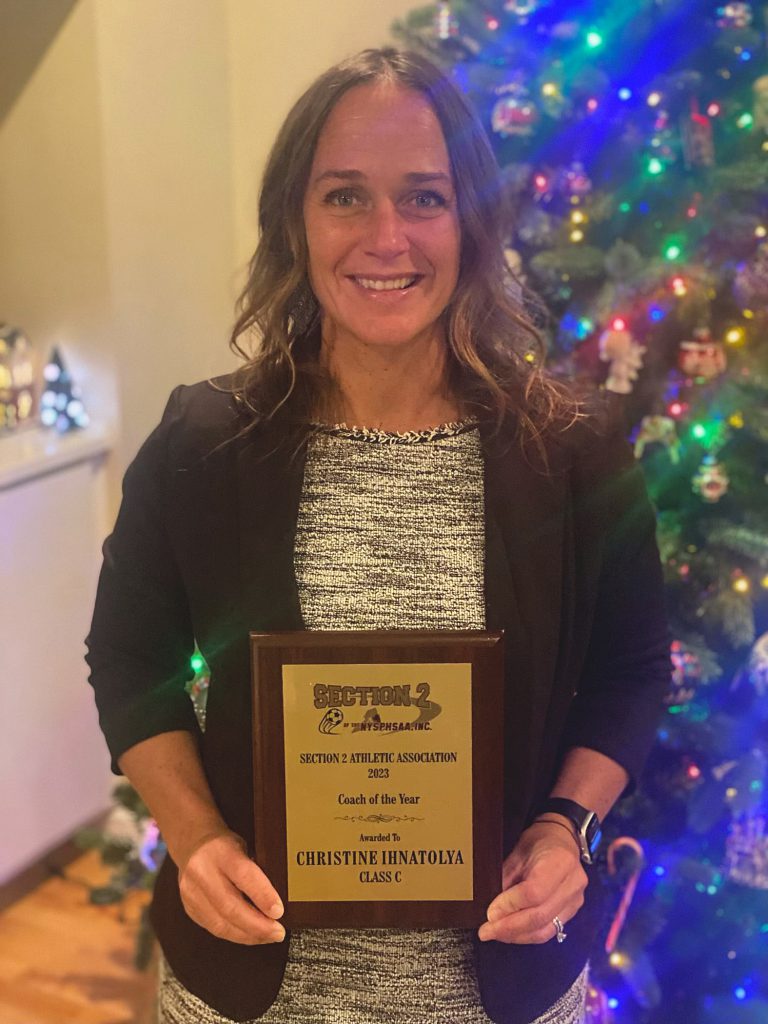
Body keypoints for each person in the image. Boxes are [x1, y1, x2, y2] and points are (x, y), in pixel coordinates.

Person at [85, 47, 670, 1024]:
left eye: (425, 197)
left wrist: (568, 826)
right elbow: (128, 655)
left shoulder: (573, 452)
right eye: (346, 196)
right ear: (295, 221)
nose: (386, 236)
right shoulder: (203, 442)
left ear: (472, 219)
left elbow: (631, 668)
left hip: (498, 992)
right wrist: (193, 835)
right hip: (250, 989)